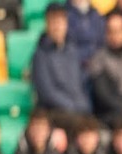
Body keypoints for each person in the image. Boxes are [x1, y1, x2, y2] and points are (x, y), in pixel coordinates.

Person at [31, 2, 92, 134]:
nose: (57, 26)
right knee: (82, 128)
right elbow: (47, 92)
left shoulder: (72, 51)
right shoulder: (40, 55)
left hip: (78, 109)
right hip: (54, 112)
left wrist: (83, 105)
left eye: (60, 21)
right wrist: (73, 107)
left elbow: (81, 83)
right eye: (53, 22)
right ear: (47, 24)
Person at [66, 0, 106, 67]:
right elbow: (67, 50)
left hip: (99, 66)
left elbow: (103, 43)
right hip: (75, 66)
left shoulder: (97, 16)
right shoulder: (65, 16)